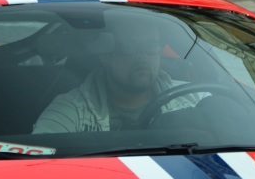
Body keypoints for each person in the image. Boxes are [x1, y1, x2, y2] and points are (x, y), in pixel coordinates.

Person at [33, 19, 195, 133]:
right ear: (105, 56)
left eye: (151, 46)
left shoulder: (193, 97)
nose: (142, 56)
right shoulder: (72, 110)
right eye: (130, 47)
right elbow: (38, 164)